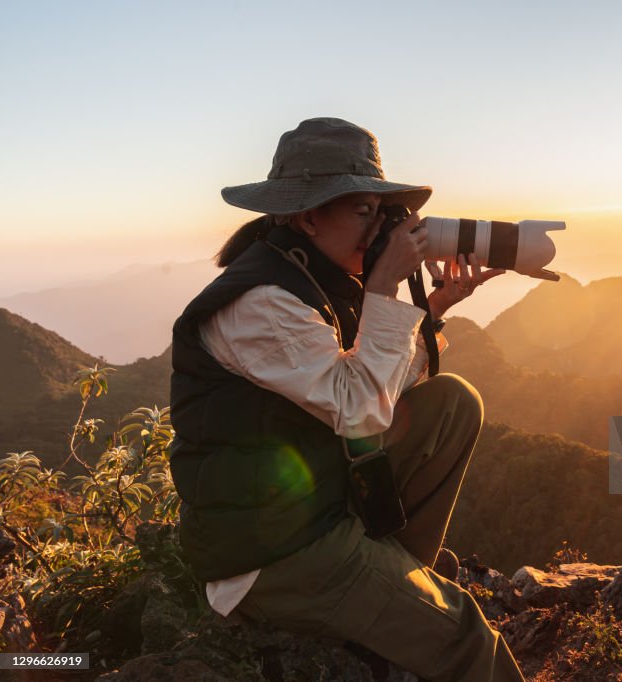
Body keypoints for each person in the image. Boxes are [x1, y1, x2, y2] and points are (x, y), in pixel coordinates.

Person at [169, 117, 525, 681]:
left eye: (384, 214)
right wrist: (384, 287)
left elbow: (376, 394)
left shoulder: (310, 276)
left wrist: (430, 310)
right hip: (273, 554)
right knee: (465, 637)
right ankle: (391, 597)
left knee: (452, 403)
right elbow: (359, 410)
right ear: (308, 215)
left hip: (314, 507)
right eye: (364, 211)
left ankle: (393, 578)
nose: (379, 229)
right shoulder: (262, 302)